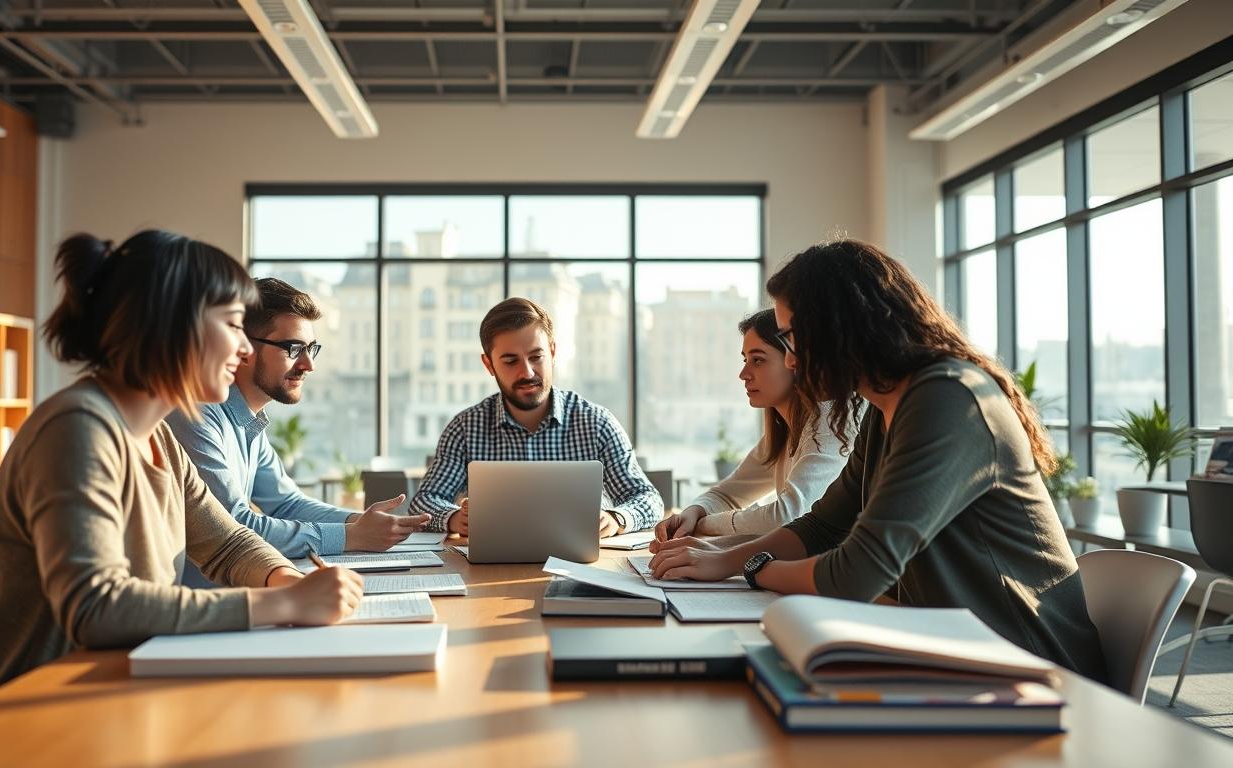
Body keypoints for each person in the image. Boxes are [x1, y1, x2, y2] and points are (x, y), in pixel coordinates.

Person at [0, 231, 365, 713]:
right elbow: (98, 608)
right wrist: (283, 605)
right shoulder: (79, 430)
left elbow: (227, 542)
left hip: (111, 695)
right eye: (232, 326)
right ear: (174, 327)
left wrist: (288, 581)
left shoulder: (157, 435)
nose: (244, 350)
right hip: (24, 715)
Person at [649, 239, 1107, 680]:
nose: (790, 363)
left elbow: (856, 572)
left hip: (1028, 664)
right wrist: (722, 558)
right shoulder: (887, 406)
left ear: (839, 327)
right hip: (953, 646)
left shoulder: (948, 399)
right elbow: (823, 526)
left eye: (792, 339)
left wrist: (752, 569)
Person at [167, 277, 428, 561]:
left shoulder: (250, 424)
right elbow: (234, 526)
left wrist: (360, 521)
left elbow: (288, 503)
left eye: (311, 348)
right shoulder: (198, 415)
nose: (308, 365)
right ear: (242, 348)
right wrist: (352, 536)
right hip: (208, 600)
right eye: (293, 349)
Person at [407, 297, 662, 536]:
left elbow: (647, 499)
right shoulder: (465, 428)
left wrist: (616, 518)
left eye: (536, 356)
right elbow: (423, 501)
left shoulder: (597, 422)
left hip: (585, 568)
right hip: (491, 573)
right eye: (510, 361)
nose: (527, 372)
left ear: (552, 352)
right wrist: (454, 519)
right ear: (489, 365)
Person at [654, 309, 850, 539]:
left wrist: (703, 526)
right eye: (745, 359)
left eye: (758, 360)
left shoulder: (829, 424)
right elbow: (728, 494)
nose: (743, 374)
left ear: (794, 361)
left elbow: (789, 516)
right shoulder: (782, 433)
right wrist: (694, 512)